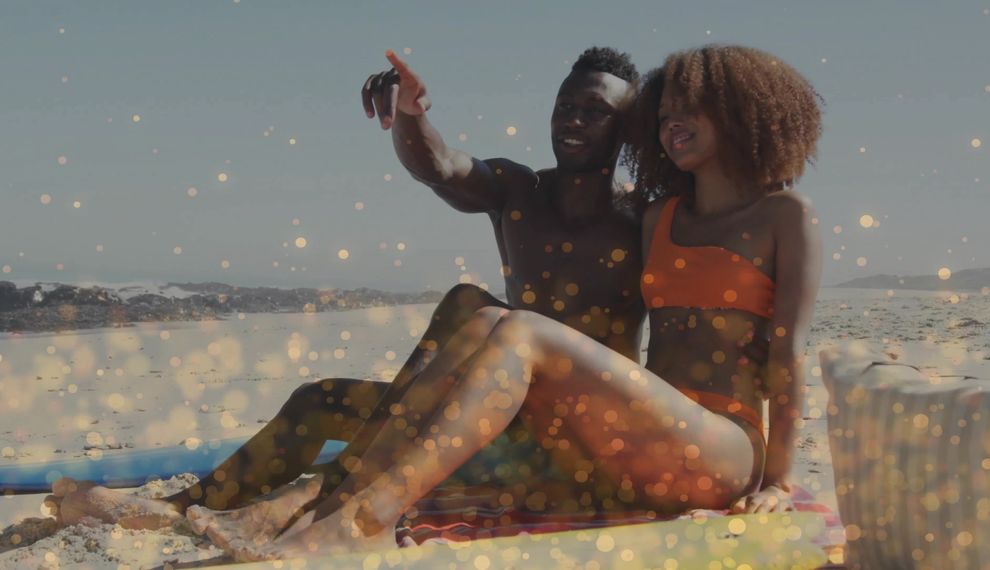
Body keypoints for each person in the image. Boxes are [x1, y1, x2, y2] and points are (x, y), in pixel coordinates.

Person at [212, 43, 824, 562]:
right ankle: (305, 500)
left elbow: (788, 352)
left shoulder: (781, 216)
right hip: (631, 437)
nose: (673, 124)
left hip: (722, 445)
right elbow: (446, 169)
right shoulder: (658, 217)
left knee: (518, 329)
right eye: (664, 115)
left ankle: (363, 520)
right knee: (476, 311)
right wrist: (409, 116)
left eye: (692, 111)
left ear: (744, 112)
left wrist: (781, 481)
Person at [45, 46, 646, 542]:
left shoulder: (641, 221)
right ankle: (185, 505)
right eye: (565, 105)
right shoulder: (520, 192)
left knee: (472, 309)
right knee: (319, 399)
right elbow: (440, 165)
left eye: (595, 111)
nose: (572, 119)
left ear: (626, 128)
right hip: (481, 409)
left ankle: (302, 507)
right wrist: (410, 116)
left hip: (572, 431)